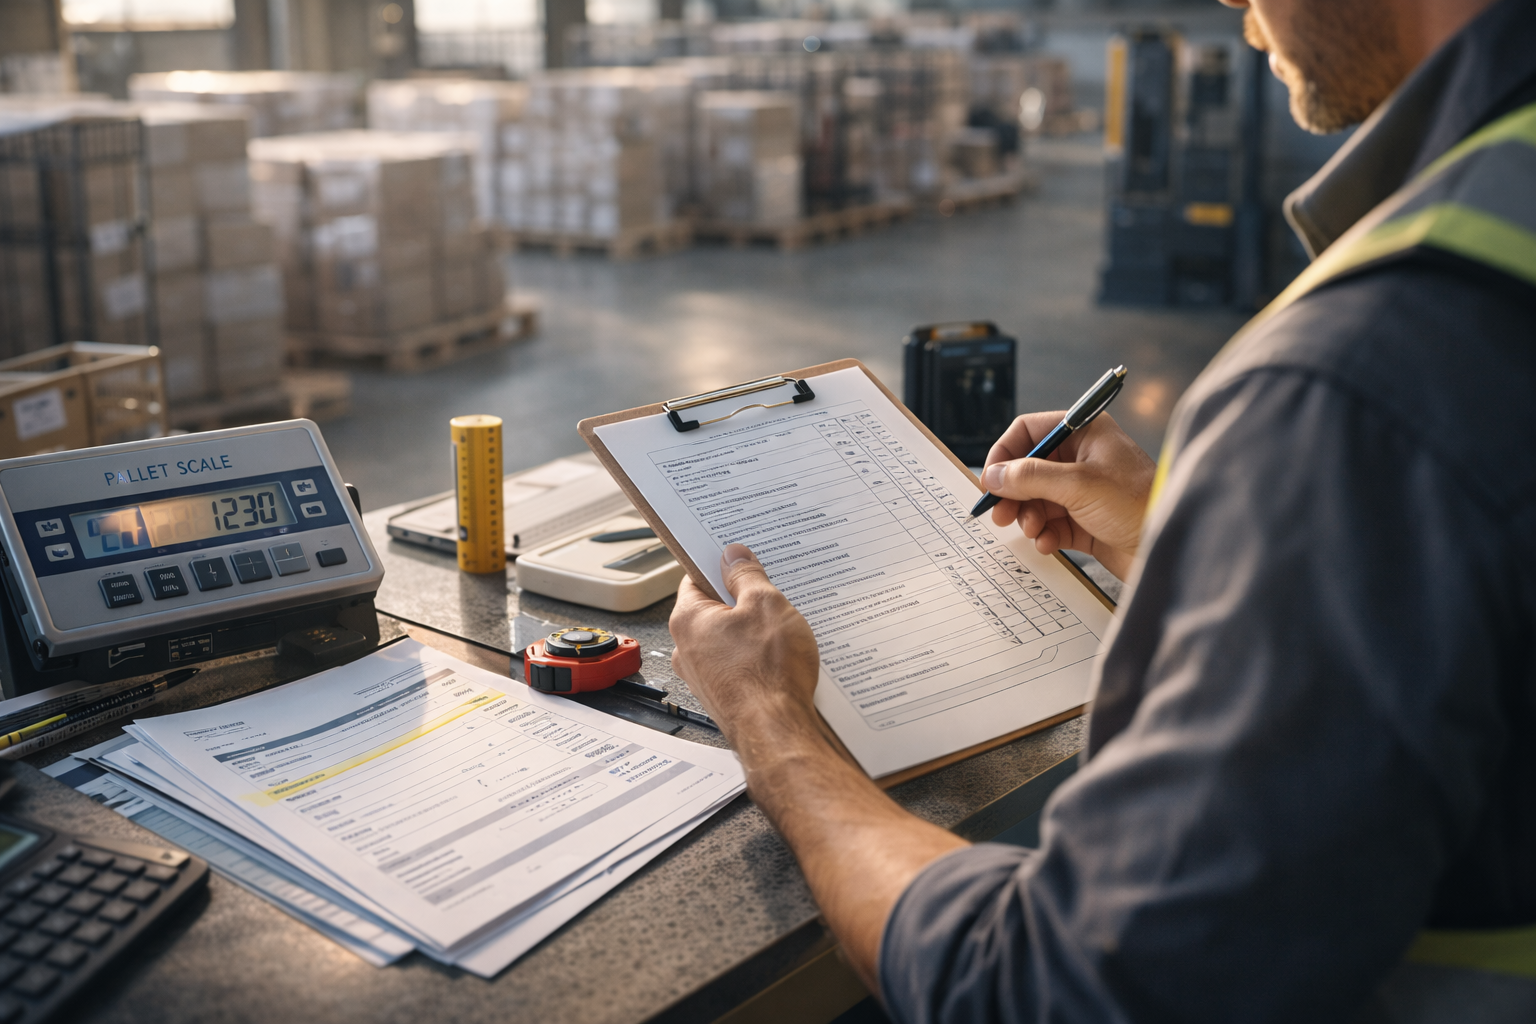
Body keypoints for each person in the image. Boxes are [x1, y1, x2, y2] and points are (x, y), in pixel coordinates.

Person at [667, 0, 1536, 1020]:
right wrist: (1199, 539)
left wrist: (772, 720)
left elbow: (1069, 990)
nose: (1232, 6)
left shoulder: (1360, 380)